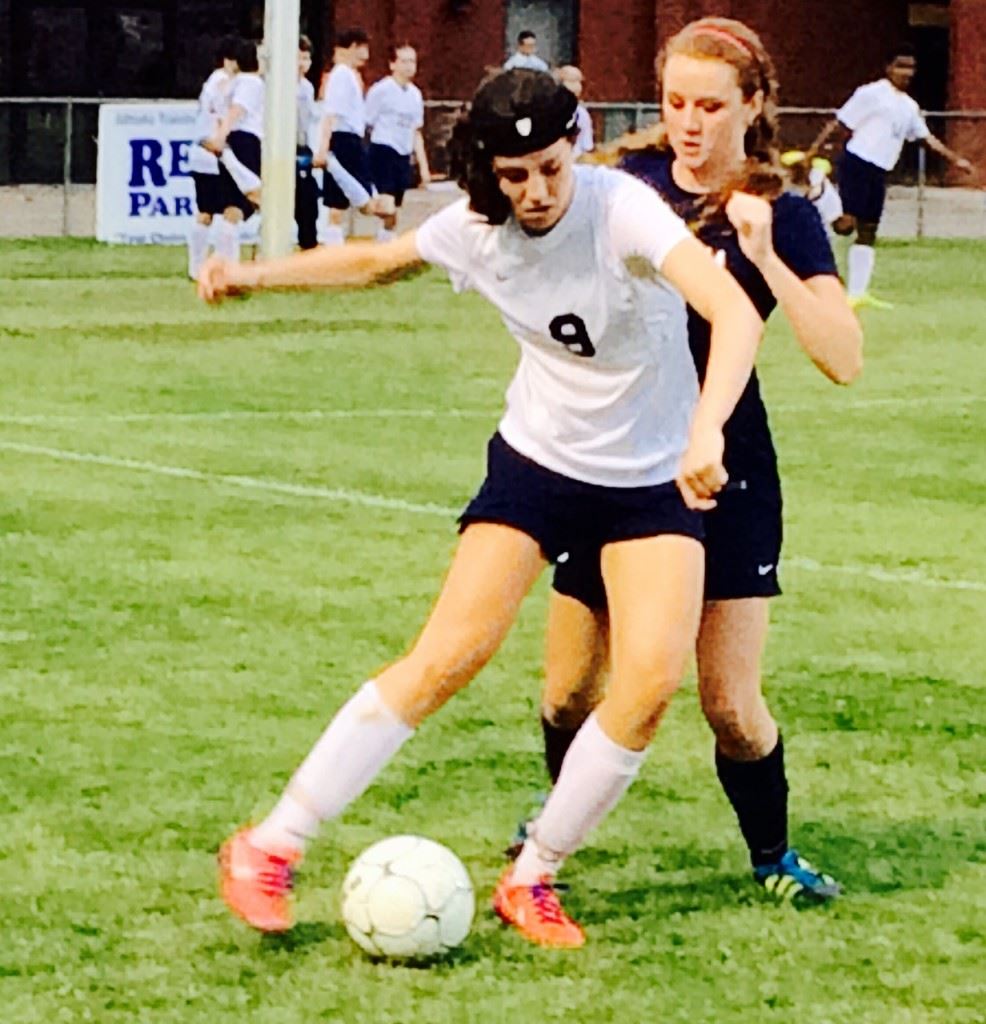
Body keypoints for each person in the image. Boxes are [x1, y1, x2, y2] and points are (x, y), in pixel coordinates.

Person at [199, 68, 764, 948]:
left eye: (549, 167)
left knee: (651, 682)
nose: (536, 191)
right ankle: (270, 846)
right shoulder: (476, 231)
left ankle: (534, 875)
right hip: (538, 465)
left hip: (650, 478)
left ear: (573, 148)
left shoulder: (622, 209)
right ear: (486, 170)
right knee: (448, 655)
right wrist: (254, 277)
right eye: (514, 175)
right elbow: (376, 263)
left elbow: (733, 312)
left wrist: (708, 430)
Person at [521, 17, 863, 905]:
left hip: (727, 468)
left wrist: (762, 257)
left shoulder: (782, 211)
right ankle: (554, 828)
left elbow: (843, 356)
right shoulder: (622, 185)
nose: (689, 121)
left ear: (753, 106)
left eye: (711, 105)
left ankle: (771, 858)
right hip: (617, 461)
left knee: (729, 707)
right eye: (675, 101)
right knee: (567, 693)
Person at [811, 45, 974, 308]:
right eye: (901, 66)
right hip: (857, 162)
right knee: (845, 226)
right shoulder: (871, 94)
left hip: (880, 170)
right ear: (888, 68)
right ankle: (819, 190)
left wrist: (956, 160)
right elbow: (841, 123)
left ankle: (857, 293)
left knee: (869, 231)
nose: (906, 73)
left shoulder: (909, 106)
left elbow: (924, 137)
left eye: (911, 68)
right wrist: (814, 152)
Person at [314, 27, 377, 245]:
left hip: (350, 139)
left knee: (338, 204)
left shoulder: (350, 75)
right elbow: (331, 113)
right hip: (344, 141)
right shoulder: (341, 75)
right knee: (355, 201)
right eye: (363, 48)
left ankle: (334, 245)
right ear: (353, 47)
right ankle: (334, 248)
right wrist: (323, 148)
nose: (366, 54)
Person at [365, 44, 432, 242]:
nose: (408, 66)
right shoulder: (381, 90)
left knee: (396, 202)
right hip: (383, 148)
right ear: (392, 64)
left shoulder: (415, 95)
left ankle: (386, 237)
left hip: (403, 152)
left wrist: (424, 167)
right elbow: (367, 122)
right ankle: (387, 237)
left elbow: (415, 131)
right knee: (387, 201)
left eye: (412, 61)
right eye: (403, 61)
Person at [206, 38, 264, 264]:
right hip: (245, 140)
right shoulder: (251, 83)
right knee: (257, 197)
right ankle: (257, 256)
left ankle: (226, 262)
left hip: (231, 141)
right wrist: (221, 137)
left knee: (233, 207)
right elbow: (237, 110)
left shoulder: (228, 83)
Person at [186, 37, 240, 278]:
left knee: (207, 212)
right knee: (227, 210)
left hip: (203, 154)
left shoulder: (214, 81)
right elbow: (221, 114)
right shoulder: (222, 81)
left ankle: (197, 267)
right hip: (213, 154)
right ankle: (222, 266)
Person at [294, 35, 321, 250]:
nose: (303, 63)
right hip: (280, 148)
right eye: (298, 57)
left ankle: (308, 245)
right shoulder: (275, 87)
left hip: (303, 147)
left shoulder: (307, 88)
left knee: (308, 201)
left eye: (306, 58)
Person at [555, 65, 594, 158]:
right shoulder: (546, 110)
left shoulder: (582, 114)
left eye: (579, 82)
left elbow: (587, 146)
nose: (577, 86)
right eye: (572, 81)